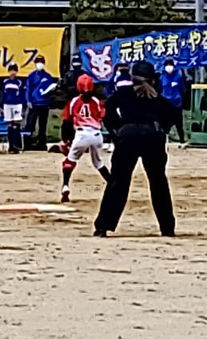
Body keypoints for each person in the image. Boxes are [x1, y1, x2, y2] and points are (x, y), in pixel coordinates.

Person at [94, 61, 178, 238]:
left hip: (127, 135)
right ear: (152, 79)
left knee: (118, 181)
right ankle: (167, 227)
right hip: (152, 136)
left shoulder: (123, 94)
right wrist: (163, 130)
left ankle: (103, 226)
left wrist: (116, 131)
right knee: (158, 182)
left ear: (132, 78)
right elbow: (174, 113)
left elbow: (107, 110)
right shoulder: (157, 97)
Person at [59, 74, 110, 204]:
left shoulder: (74, 101)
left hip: (82, 134)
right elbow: (105, 117)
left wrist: (66, 140)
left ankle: (65, 186)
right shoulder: (97, 101)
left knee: (69, 161)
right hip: (97, 135)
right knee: (98, 163)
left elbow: (66, 122)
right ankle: (113, 185)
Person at [25, 56, 57, 150]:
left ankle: (41, 143)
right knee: (30, 124)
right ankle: (28, 144)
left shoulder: (48, 76)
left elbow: (50, 90)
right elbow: (28, 89)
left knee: (43, 125)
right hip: (34, 104)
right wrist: (28, 101)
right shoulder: (31, 76)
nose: (40, 64)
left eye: (41, 62)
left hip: (44, 104)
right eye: (38, 62)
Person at [159, 60, 186, 142]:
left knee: (179, 124)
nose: (169, 67)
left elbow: (182, 89)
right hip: (165, 104)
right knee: (164, 124)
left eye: (170, 65)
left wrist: (179, 99)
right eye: (167, 65)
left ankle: (182, 140)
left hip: (176, 104)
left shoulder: (178, 77)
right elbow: (159, 89)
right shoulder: (162, 78)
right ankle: (164, 139)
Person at [0, 63, 25, 153]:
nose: (13, 72)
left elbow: (22, 95)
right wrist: (1, 107)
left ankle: (16, 145)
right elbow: (3, 94)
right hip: (7, 104)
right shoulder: (5, 82)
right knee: (9, 124)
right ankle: (10, 146)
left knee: (16, 123)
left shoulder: (19, 82)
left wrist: (23, 107)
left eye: (14, 70)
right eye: (11, 70)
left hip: (17, 104)